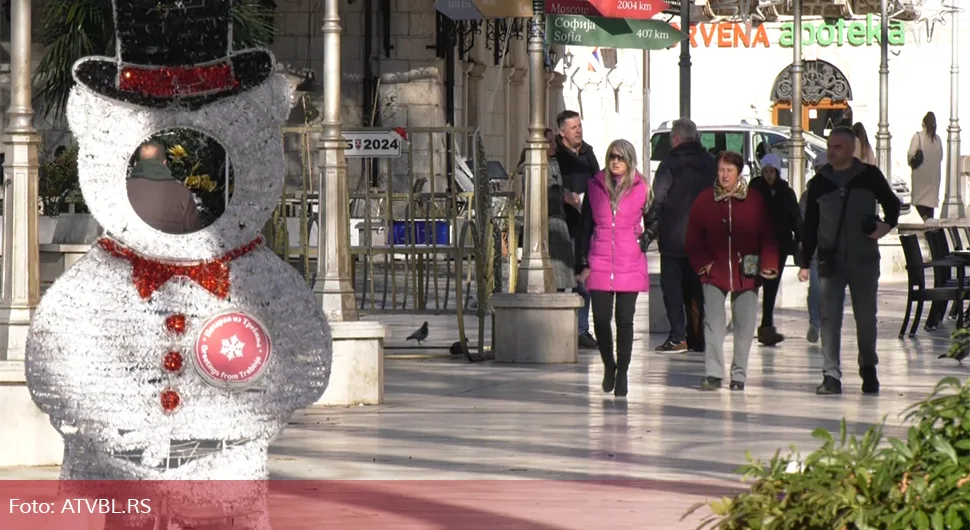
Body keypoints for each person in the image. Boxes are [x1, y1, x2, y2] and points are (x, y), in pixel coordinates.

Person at [797, 126, 900, 396]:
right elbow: (810, 225)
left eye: (837, 147)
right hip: (831, 261)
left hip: (864, 261)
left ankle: (868, 366)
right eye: (829, 147)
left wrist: (884, 227)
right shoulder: (820, 182)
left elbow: (893, 204)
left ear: (851, 149)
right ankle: (831, 374)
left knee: (866, 319)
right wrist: (805, 260)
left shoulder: (869, 176)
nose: (831, 152)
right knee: (829, 318)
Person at [685, 151, 778, 391]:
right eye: (721, 169)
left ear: (739, 173)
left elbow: (767, 234)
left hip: (746, 270)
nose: (724, 174)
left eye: (729, 170)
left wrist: (768, 263)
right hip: (714, 271)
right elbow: (693, 238)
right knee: (713, 323)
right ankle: (714, 373)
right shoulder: (704, 200)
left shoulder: (754, 200)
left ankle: (739, 375)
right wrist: (704, 264)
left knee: (745, 325)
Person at [575, 139, 649, 398]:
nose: (615, 162)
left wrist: (645, 239)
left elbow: (655, 218)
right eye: (611, 157)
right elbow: (585, 226)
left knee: (625, 321)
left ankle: (623, 373)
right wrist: (581, 262)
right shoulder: (595, 187)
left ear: (630, 161)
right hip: (600, 260)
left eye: (620, 157)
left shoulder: (642, 187)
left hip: (630, 261)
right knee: (601, 320)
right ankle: (609, 364)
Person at [644, 117, 715, 354]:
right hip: (703, 238)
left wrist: (651, 225)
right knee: (697, 289)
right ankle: (698, 337)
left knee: (672, 288)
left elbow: (659, 197)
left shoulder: (670, 163)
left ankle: (678, 336)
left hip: (674, 237)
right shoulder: (710, 162)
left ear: (675, 138)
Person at [555, 110, 600, 349]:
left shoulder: (587, 152)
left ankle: (582, 329)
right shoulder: (555, 155)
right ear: (562, 133)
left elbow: (599, 179)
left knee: (584, 275)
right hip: (562, 224)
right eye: (573, 128)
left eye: (579, 126)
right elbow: (549, 184)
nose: (578, 131)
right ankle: (561, 327)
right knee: (561, 276)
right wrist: (564, 196)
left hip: (585, 223)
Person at [748, 154, 801, 346]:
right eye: (766, 171)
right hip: (753, 246)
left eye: (772, 172)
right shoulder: (754, 189)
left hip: (778, 246)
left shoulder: (785, 192)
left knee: (771, 286)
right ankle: (746, 324)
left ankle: (766, 326)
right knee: (749, 283)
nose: (769, 175)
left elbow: (795, 217)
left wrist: (800, 240)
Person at [127, 141, 201, 234]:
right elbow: (194, 236)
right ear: (164, 163)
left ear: (136, 163)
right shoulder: (183, 194)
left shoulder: (121, 189)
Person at [544, 129, 576, 293]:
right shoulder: (532, 167)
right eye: (550, 142)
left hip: (559, 220)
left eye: (554, 141)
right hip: (546, 223)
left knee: (563, 279)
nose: (554, 145)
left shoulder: (554, 163)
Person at [801, 153, 828, 344]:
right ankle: (816, 323)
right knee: (816, 288)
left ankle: (828, 323)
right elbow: (802, 223)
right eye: (819, 170)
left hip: (835, 248)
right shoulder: (808, 195)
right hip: (816, 248)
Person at [908, 112, 944, 221]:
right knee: (930, 203)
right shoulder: (937, 139)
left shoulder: (918, 136)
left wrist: (911, 163)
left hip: (920, 175)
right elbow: (940, 156)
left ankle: (926, 220)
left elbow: (911, 154)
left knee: (919, 201)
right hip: (933, 177)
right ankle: (929, 224)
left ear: (923, 123)